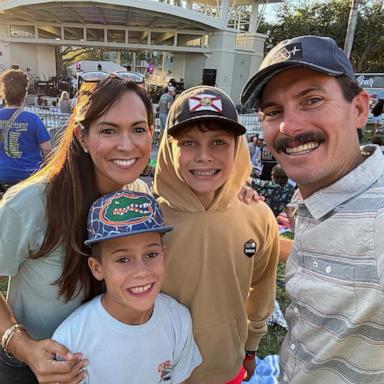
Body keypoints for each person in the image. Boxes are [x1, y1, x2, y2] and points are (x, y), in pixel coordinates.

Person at [241, 35, 384, 383]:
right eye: (274, 111)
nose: (289, 126)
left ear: (360, 109)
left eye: (313, 100)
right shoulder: (316, 200)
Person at [0, 77, 154, 383]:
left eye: (138, 129)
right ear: (82, 137)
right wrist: (23, 346)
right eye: (109, 130)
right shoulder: (29, 204)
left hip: (108, 364)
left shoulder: (139, 197)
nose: (127, 144)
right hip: (34, 369)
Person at [153, 86, 280, 383]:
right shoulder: (149, 219)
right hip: (160, 371)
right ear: (170, 149)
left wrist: (251, 348)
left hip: (226, 367)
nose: (204, 156)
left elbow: (262, 288)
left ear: (238, 147)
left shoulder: (258, 216)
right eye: (189, 143)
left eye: (219, 142)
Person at [52, 190, 202, 383]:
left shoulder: (178, 320)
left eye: (151, 255)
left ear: (164, 254)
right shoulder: (71, 342)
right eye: (123, 259)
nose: (141, 271)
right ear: (97, 268)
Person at [0, 69, 52, 190]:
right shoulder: (33, 119)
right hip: (29, 177)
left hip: (3, 176)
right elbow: (47, 149)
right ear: (25, 93)